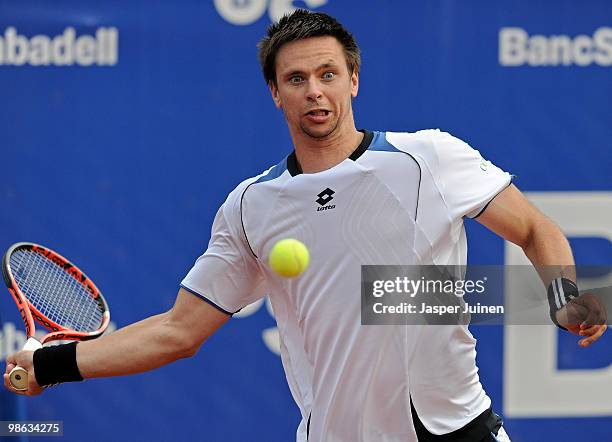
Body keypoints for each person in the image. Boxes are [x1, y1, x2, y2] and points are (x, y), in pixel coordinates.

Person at [4, 9, 607, 442]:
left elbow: (534, 229)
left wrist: (562, 296)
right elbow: (177, 333)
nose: (314, 92)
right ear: (275, 94)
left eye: (327, 75)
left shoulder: (428, 159)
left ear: (353, 80)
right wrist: (54, 367)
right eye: (296, 80)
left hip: (460, 428)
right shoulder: (250, 208)